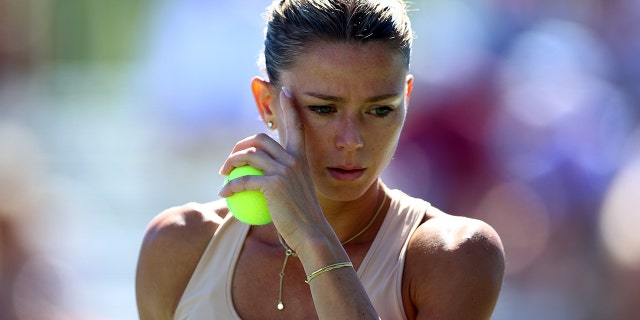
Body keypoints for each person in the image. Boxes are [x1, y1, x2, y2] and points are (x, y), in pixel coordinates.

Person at [135, 0, 505, 319]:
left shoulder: (455, 254)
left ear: (406, 97)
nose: (352, 141)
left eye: (379, 110)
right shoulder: (178, 245)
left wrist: (310, 235)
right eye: (324, 109)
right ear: (267, 103)